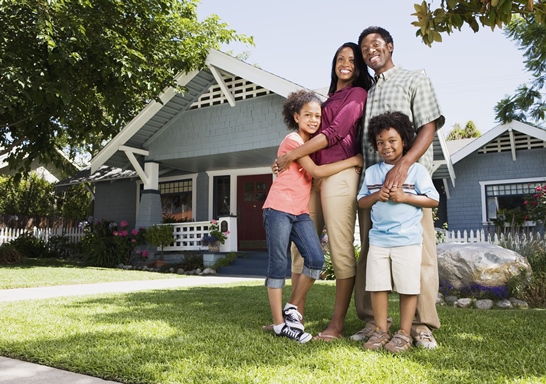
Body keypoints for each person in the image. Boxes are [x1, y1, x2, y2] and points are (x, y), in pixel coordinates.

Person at [351, 26, 445, 349]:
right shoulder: (369, 89)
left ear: (390, 46)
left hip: (409, 187)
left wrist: (403, 167)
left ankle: (419, 325)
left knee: (419, 257)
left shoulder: (414, 77)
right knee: (371, 254)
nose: (370, 51)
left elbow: (428, 126)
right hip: (374, 187)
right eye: (365, 48)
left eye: (376, 44)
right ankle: (374, 323)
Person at [274, 42, 373, 341]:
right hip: (315, 178)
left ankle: (336, 325)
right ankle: (294, 319)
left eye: (351, 60)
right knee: (300, 250)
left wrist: (291, 155)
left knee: (341, 250)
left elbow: (334, 135)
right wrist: (298, 159)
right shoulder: (329, 99)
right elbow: (314, 132)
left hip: (341, 175)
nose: (345, 63)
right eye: (340, 59)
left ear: (359, 67)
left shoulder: (357, 94)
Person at [263, 89, 363, 343]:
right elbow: (317, 172)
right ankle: (278, 325)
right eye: (307, 115)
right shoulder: (294, 142)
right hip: (278, 209)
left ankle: (292, 307)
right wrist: (353, 160)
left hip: (298, 212)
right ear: (296, 116)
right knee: (277, 265)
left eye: (317, 116)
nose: (314, 120)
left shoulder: (308, 145)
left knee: (316, 259)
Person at [357, 111, 439, 353]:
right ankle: (381, 331)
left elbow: (433, 200)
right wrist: (375, 195)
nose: (386, 146)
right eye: (380, 142)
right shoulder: (372, 173)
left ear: (404, 140)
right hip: (378, 241)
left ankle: (404, 333)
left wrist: (405, 197)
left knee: (407, 287)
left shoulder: (416, 171)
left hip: (407, 241)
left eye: (392, 140)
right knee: (377, 286)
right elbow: (361, 202)